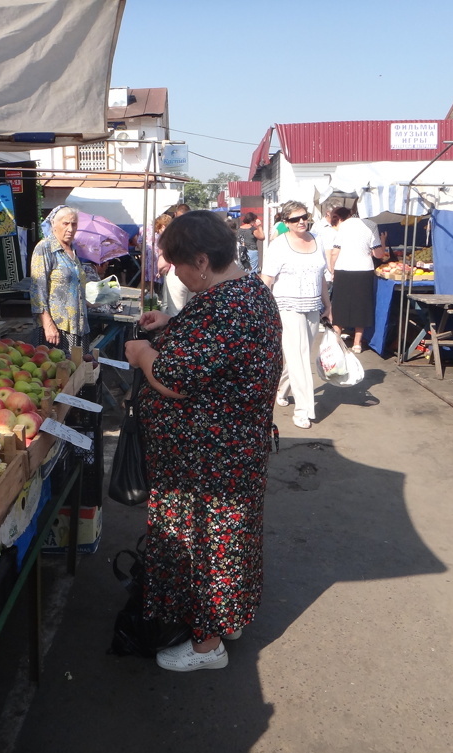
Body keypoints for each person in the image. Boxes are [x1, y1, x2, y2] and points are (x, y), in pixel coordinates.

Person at [124, 211, 282, 672]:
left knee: (207, 543)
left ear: (202, 259)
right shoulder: (244, 291)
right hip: (228, 449)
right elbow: (215, 353)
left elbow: (173, 379)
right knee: (230, 539)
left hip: (209, 460)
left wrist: (143, 352)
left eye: (178, 264)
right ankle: (227, 618)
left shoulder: (229, 305)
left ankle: (206, 645)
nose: (174, 272)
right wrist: (170, 326)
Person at [260, 201, 331, 430]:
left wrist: (328, 305)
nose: (301, 221)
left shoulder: (317, 240)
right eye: (294, 219)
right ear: (285, 223)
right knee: (300, 358)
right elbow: (267, 280)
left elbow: (321, 276)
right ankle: (304, 410)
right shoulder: (279, 245)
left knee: (298, 355)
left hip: (313, 306)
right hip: (287, 307)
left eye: (304, 217)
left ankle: (281, 389)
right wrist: (262, 310)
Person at [30, 205, 89, 356]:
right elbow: (38, 288)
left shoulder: (73, 250)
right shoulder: (45, 248)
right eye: (65, 223)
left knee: (78, 372)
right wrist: (47, 324)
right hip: (56, 329)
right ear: (53, 225)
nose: (70, 228)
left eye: (74, 224)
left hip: (78, 326)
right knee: (57, 374)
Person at [328, 206, 382, 354]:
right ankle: (357, 343)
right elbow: (378, 253)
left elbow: (335, 250)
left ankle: (336, 339)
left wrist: (332, 269)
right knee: (361, 305)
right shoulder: (372, 225)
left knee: (339, 305)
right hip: (364, 269)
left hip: (343, 268)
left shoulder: (343, 225)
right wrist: (382, 242)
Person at [153, 213, 190, 316]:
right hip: (193, 274)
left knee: (175, 313)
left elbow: (163, 264)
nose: (159, 232)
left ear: (163, 226)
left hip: (176, 274)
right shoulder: (189, 236)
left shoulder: (167, 238)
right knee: (189, 312)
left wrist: (160, 272)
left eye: (159, 229)